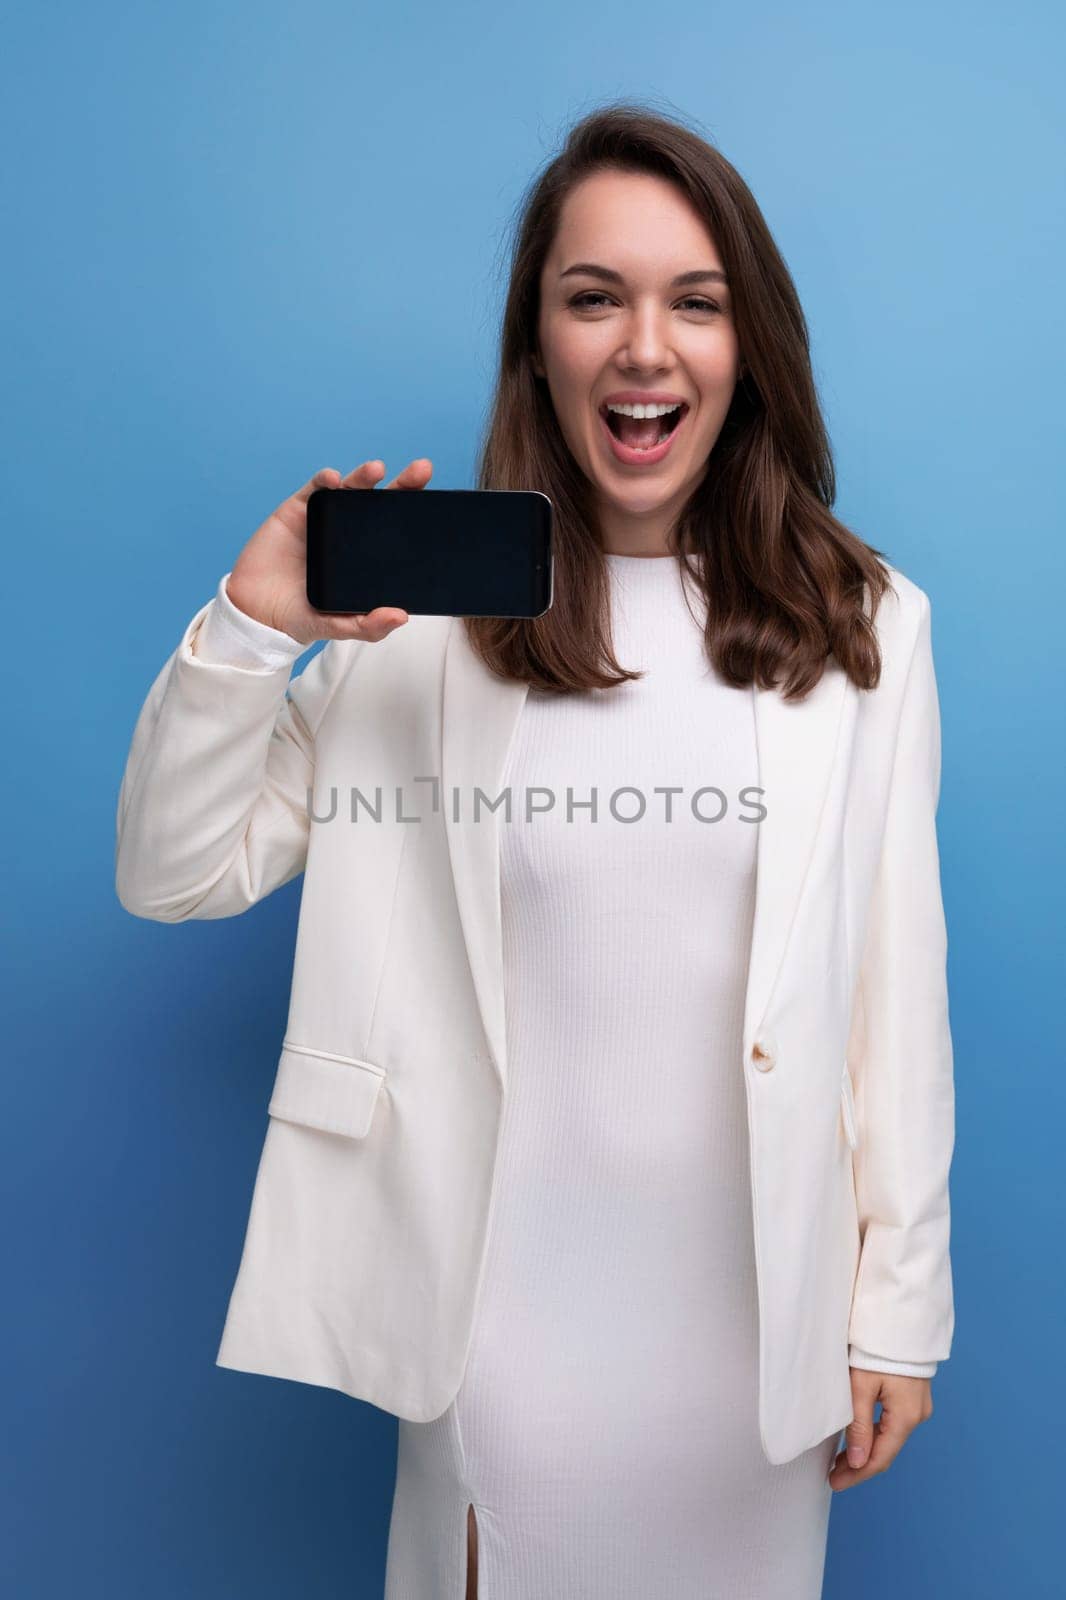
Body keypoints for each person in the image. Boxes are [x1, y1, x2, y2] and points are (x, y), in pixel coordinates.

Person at [115, 103, 954, 1599]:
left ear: (745, 344)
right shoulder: (423, 630)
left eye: (693, 302)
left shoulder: (866, 627)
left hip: (750, 1340)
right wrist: (255, 632)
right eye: (593, 298)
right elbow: (176, 873)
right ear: (540, 343)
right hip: (495, 1326)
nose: (644, 345)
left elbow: (896, 992)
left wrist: (896, 1311)